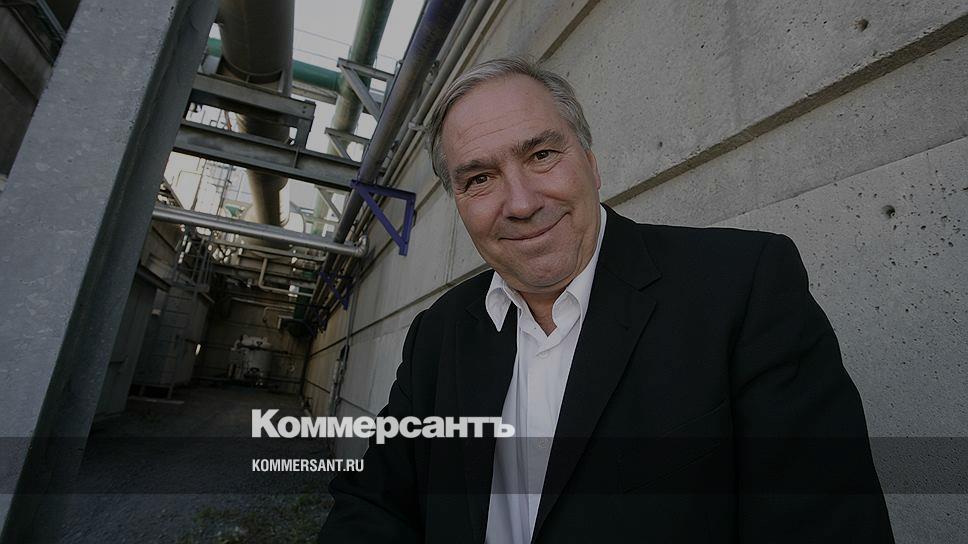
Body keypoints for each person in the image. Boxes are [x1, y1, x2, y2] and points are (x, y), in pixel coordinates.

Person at [318, 57, 893, 543]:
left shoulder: (742, 287)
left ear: (591, 165)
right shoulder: (438, 333)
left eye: (541, 155)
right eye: (480, 179)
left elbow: (824, 523)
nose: (521, 203)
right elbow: (375, 503)